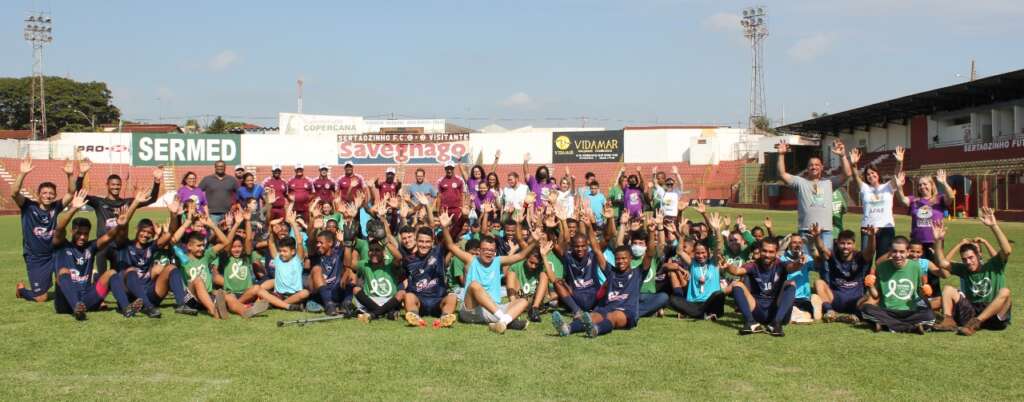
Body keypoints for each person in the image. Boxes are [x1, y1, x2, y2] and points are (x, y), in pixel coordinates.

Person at [441, 211, 539, 334]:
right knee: (475, 285)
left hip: (493, 310)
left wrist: (534, 241)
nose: (488, 252)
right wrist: (444, 227)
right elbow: (450, 245)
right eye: (485, 250)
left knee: (523, 301)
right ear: (479, 250)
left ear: (495, 251)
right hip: (471, 311)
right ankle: (507, 320)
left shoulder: (498, 261)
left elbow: (521, 255)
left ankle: (501, 323)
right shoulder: (471, 259)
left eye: (491, 250)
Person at [551, 227, 656, 338]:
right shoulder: (611, 272)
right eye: (618, 259)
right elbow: (596, 249)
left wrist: (652, 232)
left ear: (630, 258)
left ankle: (595, 329)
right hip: (606, 308)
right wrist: (589, 226)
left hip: (626, 312)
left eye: (624, 258)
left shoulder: (638, 273)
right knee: (591, 317)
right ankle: (567, 329)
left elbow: (649, 254)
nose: (620, 261)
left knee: (612, 316)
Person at [51, 190, 130, 320]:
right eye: (79, 233)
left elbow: (109, 236)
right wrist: (73, 209)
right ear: (72, 231)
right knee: (63, 271)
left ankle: (126, 307)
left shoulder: (91, 247)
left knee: (111, 273)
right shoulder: (61, 245)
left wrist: (120, 225)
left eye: (85, 234)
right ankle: (76, 307)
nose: (82, 237)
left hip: (87, 299)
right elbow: (59, 228)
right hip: (64, 303)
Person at [932, 208, 1013, 335]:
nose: (968, 262)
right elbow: (942, 262)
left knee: (1005, 291)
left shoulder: (994, 265)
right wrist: (937, 240)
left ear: (978, 256)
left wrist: (994, 226)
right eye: (965, 259)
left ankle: (977, 322)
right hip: (972, 311)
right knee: (948, 289)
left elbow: (1007, 250)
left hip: (994, 313)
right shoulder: (963, 269)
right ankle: (948, 321)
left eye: (971, 258)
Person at [76, 161, 162, 275]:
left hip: (120, 246)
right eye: (113, 184)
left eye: (118, 185)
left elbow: (152, 199)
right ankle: (97, 277)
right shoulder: (99, 202)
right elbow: (79, 192)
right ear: (107, 185)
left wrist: (156, 182)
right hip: (103, 246)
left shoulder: (127, 202)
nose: (116, 187)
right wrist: (81, 175)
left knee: (119, 278)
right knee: (103, 279)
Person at [13, 158, 76, 302]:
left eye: (51, 193)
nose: (48, 196)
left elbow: (71, 192)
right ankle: (22, 290)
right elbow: (14, 192)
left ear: (54, 195)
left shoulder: (56, 207)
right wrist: (22, 173)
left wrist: (69, 175)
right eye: (45, 193)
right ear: (38, 194)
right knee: (41, 297)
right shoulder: (28, 206)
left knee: (69, 281)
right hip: (36, 258)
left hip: (55, 253)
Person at [107, 190, 174, 319]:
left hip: (144, 291)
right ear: (136, 230)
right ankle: (148, 307)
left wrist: (173, 214)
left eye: (149, 232)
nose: (145, 234)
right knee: (131, 270)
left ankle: (183, 301)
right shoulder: (125, 245)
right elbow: (122, 228)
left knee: (167, 267)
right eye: (143, 231)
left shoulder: (151, 247)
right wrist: (135, 203)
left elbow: (169, 236)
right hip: (126, 290)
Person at [775, 139, 851, 250]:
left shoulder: (829, 182)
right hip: (806, 231)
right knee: (806, 262)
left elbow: (847, 174)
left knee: (825, 262)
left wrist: (843, 155)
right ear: (807, 168)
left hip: (825, 231)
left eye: (816, 165)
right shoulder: (800, 182)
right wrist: (781, 154)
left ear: (822, 167)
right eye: (811, 165)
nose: (814, 167)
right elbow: (781, 174)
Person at [726, 237, 802, 336]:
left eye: (771, 252)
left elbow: (792, 267)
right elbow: (737, 271)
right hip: (757, 310)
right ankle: (751, 323)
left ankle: (776, 324)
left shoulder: (781, 264)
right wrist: (727, 266)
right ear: (760, 250)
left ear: (776, 252)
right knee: (737, 284)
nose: (767, 255)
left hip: (776, 310)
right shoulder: (753, 265)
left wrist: (799, 263)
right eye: (764, 251)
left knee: (791, 283)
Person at [895, 168, 954, 294]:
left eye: (925, 184)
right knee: (915, 270)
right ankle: (915, 296)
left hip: (934, 242)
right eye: (920, 184)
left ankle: (935, 298)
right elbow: (902, 200)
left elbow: (951, 197)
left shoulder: (940, 199)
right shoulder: (914, 201)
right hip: (917, 244)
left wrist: (944, 183)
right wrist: (899, 187)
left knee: (934, 272)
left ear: (932, 185)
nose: (922, 187)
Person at [859, 236, 934, 334]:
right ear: (890, 251)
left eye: (902, 252)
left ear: (908, 252)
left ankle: (888, 325)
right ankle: (909, 327)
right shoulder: (882, 267)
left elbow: (919, 293)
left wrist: (925, 292)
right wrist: (870, 286)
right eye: (894, 251)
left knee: (929, 315)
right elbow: (876, 295)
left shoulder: (916, 267)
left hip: (909, 312)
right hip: (887, 311)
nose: (898, 255)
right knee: (865, 309)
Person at [170, 210, 236, 319]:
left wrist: (212, 226)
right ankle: (214, 311)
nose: (202, 248)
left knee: (229, 296)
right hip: (190, 298)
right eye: (198, 246)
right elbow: (172, 241)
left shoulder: (206, 255)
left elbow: (226, 242)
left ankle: (245, 310)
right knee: (198, 280)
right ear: (189, 246)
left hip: (207, 295)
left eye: (202, 245)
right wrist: (187, 223)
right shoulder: (183, 258)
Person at [211, 207, 270, 318]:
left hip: (245, 294)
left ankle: (230, 306)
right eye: (233, 247)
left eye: (239, 247)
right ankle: (245, 311)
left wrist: (247, 221)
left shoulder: (246, 257)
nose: (236, 249)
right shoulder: (226, 257)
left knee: (257, 288)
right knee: (229, 297)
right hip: (231, 293)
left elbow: (248, 240)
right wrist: (236, 224)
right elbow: (227, 243)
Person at [848, 146, 901, 258]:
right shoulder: (864, 188)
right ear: (866, 177)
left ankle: (880, 276)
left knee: (883, 259)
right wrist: (853, 164)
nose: (871, 176)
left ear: (878, 173)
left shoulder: (888, 186)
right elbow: (855, 175)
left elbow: (896, 175)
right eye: (868, 174)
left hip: (886, 228)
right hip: (867, 228)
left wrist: (899, 162)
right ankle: (863, 276)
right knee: (865, 259)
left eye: (873, 173)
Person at [813, 228, 874, 323]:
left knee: (873, 295)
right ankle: (829, 311)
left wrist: (871, 236)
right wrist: (816, 236)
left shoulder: (859, 256)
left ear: (854, 244)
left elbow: (871, 251)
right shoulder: (833, 255)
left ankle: (856, 316)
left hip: (857, 301)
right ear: (837, 243)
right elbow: (821, 248)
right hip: (835, 299)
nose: (845, 246)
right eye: (842, 243)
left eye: (849, 243)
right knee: (818, 282)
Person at [259, 206, 310, 310]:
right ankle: (284, 305)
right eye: (281, 251)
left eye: (285, 251)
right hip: (278, 294)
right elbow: (271, 243)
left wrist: (293, 223)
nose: (282, 253)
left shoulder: (297, 259)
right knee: (259, 290)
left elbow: (299, 242)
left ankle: (277, 304)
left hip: (294, 295)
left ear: (292, 251)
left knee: (305, 293)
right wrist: (272, 229)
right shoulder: (278, 258)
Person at [666, 240, 727, 321]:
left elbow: (719, 247)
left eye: (703, 252)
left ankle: (694, 313)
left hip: (710, 302)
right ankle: (702, 314)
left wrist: (717, 230)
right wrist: (682, 235)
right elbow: (679, 251)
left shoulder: (714, 263)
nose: (701, 256)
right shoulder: (693, 263)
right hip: (694, 303)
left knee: (719, 294)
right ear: (694, 253)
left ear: (708, 252)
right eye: (698, 253)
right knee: (672, 299)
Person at [353, 243, 406, 323]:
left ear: (384, 253)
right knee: (356, 289)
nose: (374, 253)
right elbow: (348, 263)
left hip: (389, 300)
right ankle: (386, 312)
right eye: (371, 250)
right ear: (368, 253)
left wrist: (386, 241)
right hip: (371, 301)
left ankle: (374, 314)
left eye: (377, 250)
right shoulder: (364, 264)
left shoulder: (390, 264)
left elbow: (399, 257)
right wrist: (348, 244)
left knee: (402, 292)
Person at [779, 232, 823, 323]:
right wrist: (781, 248)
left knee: (809, 315)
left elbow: (818, 265)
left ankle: (802, 313)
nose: (797, 245)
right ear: (789, 244)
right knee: (793, 315)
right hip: (787, 297)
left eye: (800, 242)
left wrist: (812, 246)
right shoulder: (782, 259)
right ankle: (805, 313)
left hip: (803, 298)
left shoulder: (806, 258)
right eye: (794, 242)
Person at [437, 160, 466, 234]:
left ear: (454, 168)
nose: (449, 170)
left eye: (451, 168)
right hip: (445, 209)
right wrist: (438, 210)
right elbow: (439, 196)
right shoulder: (440, 181)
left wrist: (462, 207)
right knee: (445, 226)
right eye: (447, 168)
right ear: (445, 169)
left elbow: (463, 194)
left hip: (457, 208)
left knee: (458, 226)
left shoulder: (459, 180)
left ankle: (456, 241)